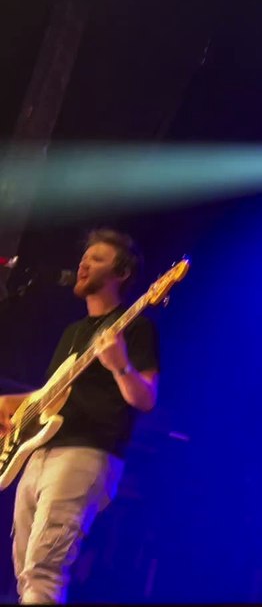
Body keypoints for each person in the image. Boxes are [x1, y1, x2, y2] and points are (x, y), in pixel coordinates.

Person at [0, 229, 160, 604]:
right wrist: (8, 402)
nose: (83, 264)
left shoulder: (136, 326)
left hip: (86, 451)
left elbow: (146, 398)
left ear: (121, 273)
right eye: (84, 258)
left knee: (43, 570)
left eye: (97, 259)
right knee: (25, 574)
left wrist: (120, 367)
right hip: (39, 450)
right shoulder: (73, 332)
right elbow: (50, 395)